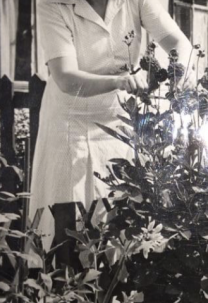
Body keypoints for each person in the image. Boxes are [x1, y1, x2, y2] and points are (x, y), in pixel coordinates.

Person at [30, 0, 194, 250]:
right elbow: (65, 77)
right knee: (65, 212)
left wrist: (175, 73)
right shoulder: (52, 4)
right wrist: (118, 81)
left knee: (116, 211)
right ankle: (62, 283)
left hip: (117, 121)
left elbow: (179, 43)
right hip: (69, 122)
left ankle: (113, 287)